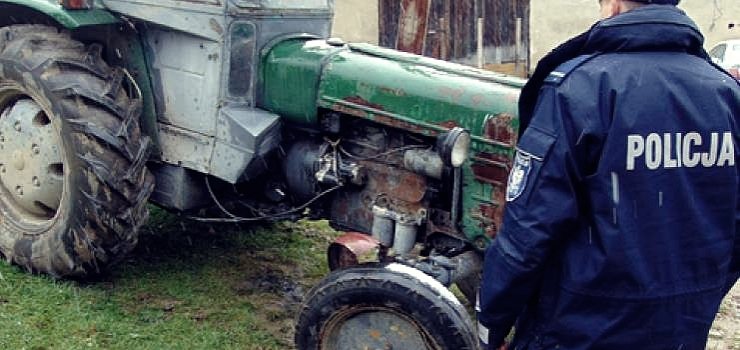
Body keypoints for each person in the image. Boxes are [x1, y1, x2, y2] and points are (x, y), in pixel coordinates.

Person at [477, 0, 740, 349]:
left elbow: (529, 232)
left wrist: (491, 322)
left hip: (579, 329)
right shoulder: (727, 96)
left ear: (614, 5)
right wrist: (694, 299)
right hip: (681, 330)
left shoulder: (579, 87)